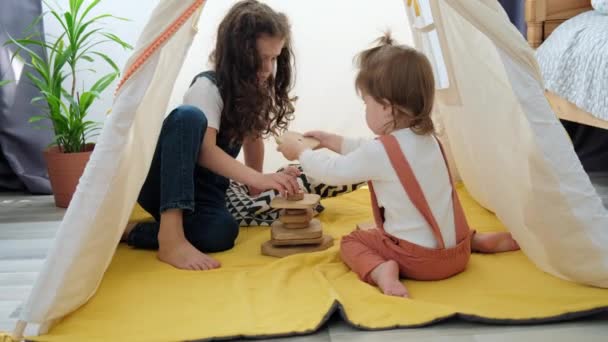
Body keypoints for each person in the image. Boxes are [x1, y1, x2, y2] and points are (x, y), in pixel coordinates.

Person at [277, 34, 520, 297]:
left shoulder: (381, 151)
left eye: (366, 103)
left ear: (386, 108)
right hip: (456, 254)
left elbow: (333, 173)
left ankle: (381, 270)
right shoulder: (427, 141)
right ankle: (475, 241)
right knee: (437, 211)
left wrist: (301, 152)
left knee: (353, 241)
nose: (364, 109)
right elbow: (370, 151)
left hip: (421, 262)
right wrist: (331, 141)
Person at [123, 0, 300, 271]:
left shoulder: (254, 89)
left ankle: (134, 231)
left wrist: (258, 185)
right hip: (167, 182)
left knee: (221, 233)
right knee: (188, 116)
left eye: (274, 58)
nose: (268, 69)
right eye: (261, 58)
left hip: (206, 191)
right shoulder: (207, 87)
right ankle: (170, 236)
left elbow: (253, 140)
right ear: (238, 54)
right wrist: (257, 177)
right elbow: (205, 150)